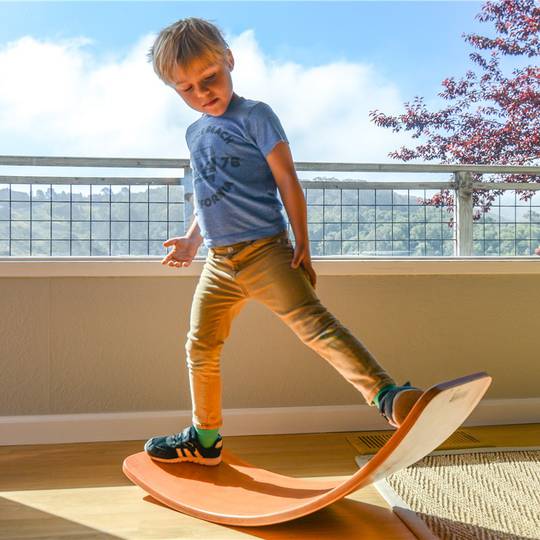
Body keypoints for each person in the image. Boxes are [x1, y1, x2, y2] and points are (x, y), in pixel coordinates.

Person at [144, 17, 423, 466]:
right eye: (186, 88)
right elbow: (209, 191)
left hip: (265, 252)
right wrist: (193, 241)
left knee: (317, 326)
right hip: (218, 264)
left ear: (229, 60)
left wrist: (302, 242)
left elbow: (287, 178)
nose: (202, 93)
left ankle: (389, 398)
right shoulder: (194, 134)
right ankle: (205, 439)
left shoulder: (256, 115)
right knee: (200, 346)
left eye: (209, 77)